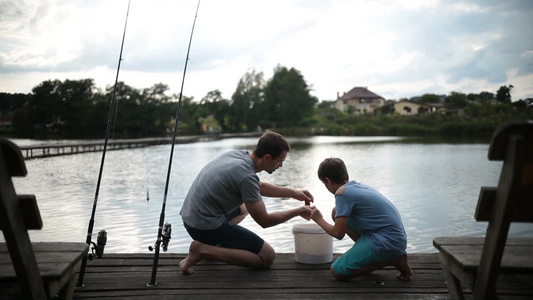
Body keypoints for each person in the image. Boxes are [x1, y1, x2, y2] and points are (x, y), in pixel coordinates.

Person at [179, 130, 313, 274]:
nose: (280, 165)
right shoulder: (246, 177)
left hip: (190, 218)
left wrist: (293, 193)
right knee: (267, 257)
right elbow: (265, 221)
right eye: (280, 161)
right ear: (267, 157)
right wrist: (298, 211)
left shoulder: (237, 155)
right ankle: (202, 250)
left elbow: (258, 186)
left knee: (244, 208)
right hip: (204, 227)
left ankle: (211, 245)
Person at [310, 157, 412, 281]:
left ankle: (393, 259)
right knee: (336, 212)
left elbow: (338, 234)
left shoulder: (342, 194)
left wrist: (318, 219)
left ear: (328, 180)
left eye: (324, 183)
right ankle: (380, 254)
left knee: (338, 271)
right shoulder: (356, 186)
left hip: (387, 241)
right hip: (397, 239)